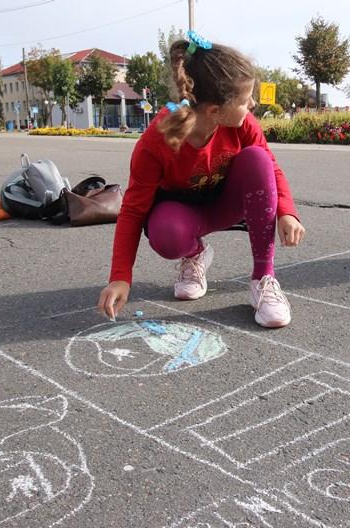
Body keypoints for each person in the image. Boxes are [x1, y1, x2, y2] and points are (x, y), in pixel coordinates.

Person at [97, 31, 305, 327]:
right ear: (214, 110)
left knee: (258, 159)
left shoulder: (243, 124)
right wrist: (120, 276)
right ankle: (196, 253)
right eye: (245, 99)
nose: (252, 105)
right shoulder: (157, 141)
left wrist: (287, 211)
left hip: (226, 203)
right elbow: (132, 210)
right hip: (183, 212)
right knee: (166, 233)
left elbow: (271, 167)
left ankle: (263, 277)